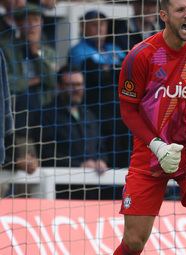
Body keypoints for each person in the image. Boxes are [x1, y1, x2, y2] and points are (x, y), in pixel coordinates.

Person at [114, 0, 186, 254]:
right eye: (180, 10)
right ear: (164, 15)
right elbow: (127, 111)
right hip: (150, 153)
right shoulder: (141, 56)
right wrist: (156, 145)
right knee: (134, 242)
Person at [35, 64, 108, 199]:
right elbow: (45, 152)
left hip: (91, 191)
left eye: (79, 84)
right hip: (61, 192)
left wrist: (102, 160)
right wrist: (79, 165)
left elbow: (101, 147)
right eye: (71, 85)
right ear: (59, 87)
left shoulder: (89, 114)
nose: (77, 89)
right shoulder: (45, 114)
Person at [0, 3, 56, 173]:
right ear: (18, 24)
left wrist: (35, 52)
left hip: (45, 123)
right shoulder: (5, 47)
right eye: (27, 20)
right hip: (19, 123)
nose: (32, 25)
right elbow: (6, 83)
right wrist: (34, 80)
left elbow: (54, 82)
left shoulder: (47, 51)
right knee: (23, 174)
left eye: (36, 20)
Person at [69, 10, 128, 168]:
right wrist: (114, 70)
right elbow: (96, 76)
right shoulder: (78, 50)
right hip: (96, 116)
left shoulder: (113, 47)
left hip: (121, 117)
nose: (100, 28)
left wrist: (108, 70)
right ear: (83, 27)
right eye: (94, 24)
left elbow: (129, 74)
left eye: (102, 24)